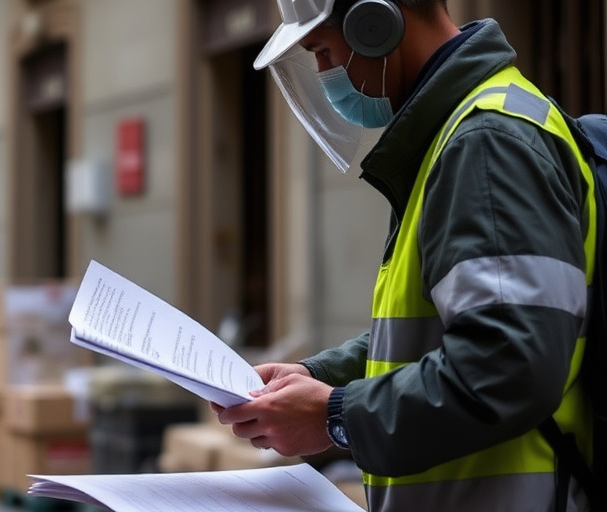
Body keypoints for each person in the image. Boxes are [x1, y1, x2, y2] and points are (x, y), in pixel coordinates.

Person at [214, 1, 595, 511]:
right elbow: (445, 326)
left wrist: (336, 414)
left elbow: (509, 363)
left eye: (323, 51)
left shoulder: (485, 141)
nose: (325, 74)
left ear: (376, 22)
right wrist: (323, 377)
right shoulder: (455, 135)